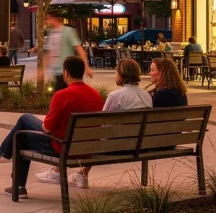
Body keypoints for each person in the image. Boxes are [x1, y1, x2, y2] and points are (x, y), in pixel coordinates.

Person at [0, 56, 103, 198]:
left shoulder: (62, 95)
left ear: (66, 73)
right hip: (86, 149)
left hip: (62, 148)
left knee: (23, 125)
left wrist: (40, 124)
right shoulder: (96, 95)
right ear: (82, 72)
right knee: (22, 131)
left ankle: (6, 171)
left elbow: (47, 129)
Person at [36, 58, 150, 189]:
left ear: (122, 75)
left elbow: (101, 125)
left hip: (114, 147)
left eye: (117, 72)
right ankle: (79, 174)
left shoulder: (116, 96)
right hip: (139, 145)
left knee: (91, 134)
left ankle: (69, 174)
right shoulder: (146, 95)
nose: (116, 75)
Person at [34, 11, 92, 91]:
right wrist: (42, 69)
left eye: (48, 18)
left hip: (67, 71)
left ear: (55, 19)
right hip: (57, 70)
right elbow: (50, 52)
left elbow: (79, 49)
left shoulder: (68, 31)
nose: (47, 21)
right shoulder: (52, 33)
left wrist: (86, 67)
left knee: (61, 94)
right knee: (62, 94)